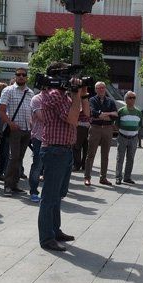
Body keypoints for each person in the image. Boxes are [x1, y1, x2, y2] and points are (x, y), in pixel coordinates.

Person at [37, 62, 90, 251]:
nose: (71, 79)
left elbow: (85, 116)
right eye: (68, 76)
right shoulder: (54, 95)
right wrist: (75, 95)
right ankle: (46, 238)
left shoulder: (65, 96)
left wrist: (82, 94)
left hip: (65, 149)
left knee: (58, 195)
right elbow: (73, 118)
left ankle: (55, 230)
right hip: (55, 149)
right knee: (49, 197)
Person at [0, 68, 34, 197]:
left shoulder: (30, 92)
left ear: (26, 77)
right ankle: (8, 185)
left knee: (19, 158)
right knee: (13, 157)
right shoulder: (8, 90)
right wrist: (10, 123)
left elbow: (31, 110)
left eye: (23, 75)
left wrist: (31, 124)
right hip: (15, 129)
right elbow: (1, 110)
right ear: (15, 76)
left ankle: (15, 185)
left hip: (26, 130)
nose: (21, 77)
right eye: (18, 75)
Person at [84, 81, 118, 186]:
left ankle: (103, 178)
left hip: (108, 129)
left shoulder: (110, 101)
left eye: (103, 88)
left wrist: (102, 114)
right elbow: (93, 113)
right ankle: (87, 177)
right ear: (95, 90)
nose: (101, 90)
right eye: (99, 88)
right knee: (90, 154)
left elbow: (115, 115)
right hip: (95, 128)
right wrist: (107, 114)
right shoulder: (92, 100)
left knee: (105, 155)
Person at [115, 91, 143, 185]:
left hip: (133, 138)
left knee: (130, 158)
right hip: (122, 137)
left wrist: (133, 132)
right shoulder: (121, 111)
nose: (132, 100)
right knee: (120, 158)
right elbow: (116, 124)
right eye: (130, 98)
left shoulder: (139, 112)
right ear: (126, 99)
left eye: (133, 98)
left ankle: (127, 177)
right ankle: (118, 177)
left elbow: (140, 125)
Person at [29, 88, 45, 203]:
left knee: (51, 167)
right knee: (37, 165)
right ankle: (34, 192)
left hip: (54, 138)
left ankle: (49, 192)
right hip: (39, 137)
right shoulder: (37, 98)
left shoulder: (60, 98)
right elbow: (42, 117)